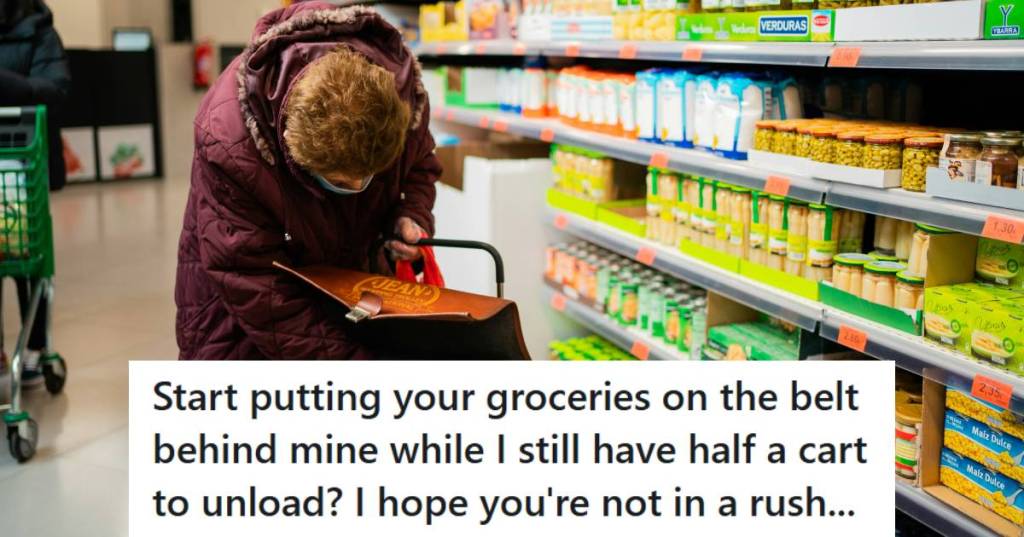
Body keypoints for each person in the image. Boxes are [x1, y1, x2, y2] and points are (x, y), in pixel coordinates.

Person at [175, 2, 440, 360]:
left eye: (369, 176)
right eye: (340, 182)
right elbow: (250, 277)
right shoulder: (231, 139)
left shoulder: (398, 99)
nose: (357, 186)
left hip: (349, 286)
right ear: (294, 153)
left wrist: (412, 213)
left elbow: (420, 164)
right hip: (246, 310)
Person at [0, 0, 69, 385]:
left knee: (28, 258)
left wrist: (6, 84)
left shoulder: (39, 31)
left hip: (22, 166)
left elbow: (57, 91)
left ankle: (33, 346)